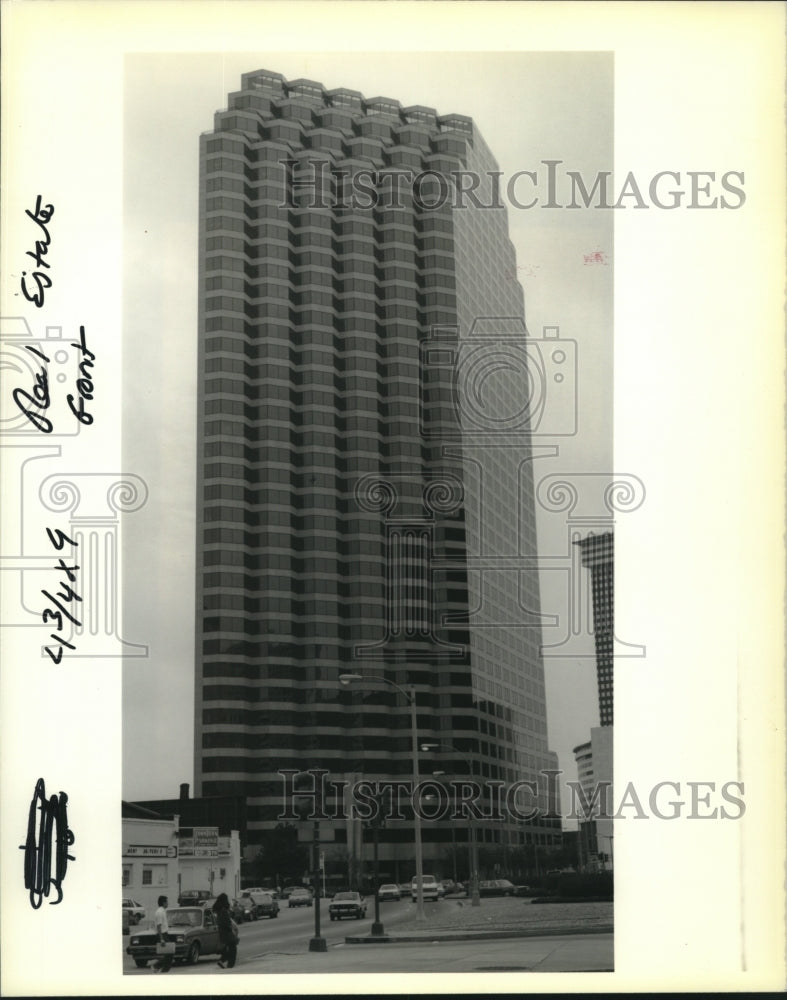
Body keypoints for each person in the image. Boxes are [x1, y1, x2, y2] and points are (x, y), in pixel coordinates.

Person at [213, 892, 237, 969]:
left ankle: (223, 960)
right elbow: (226, 921)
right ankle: (230, 964)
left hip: (222, 932)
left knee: (229, 947)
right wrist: (230, 928)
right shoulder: (223, 910)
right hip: (227, 931)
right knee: (233, 947)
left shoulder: (218, 909)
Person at [151, 895, 173, 973]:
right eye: (167, 902)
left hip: (165, 934)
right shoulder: (160, 912)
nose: (168, 903)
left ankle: (163, 969)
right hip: (162, 934)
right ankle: (157, 967)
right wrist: (161, 939)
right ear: (163, 903)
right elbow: (158, 926)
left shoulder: (162, 911)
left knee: (169, 953)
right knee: (169, 953)